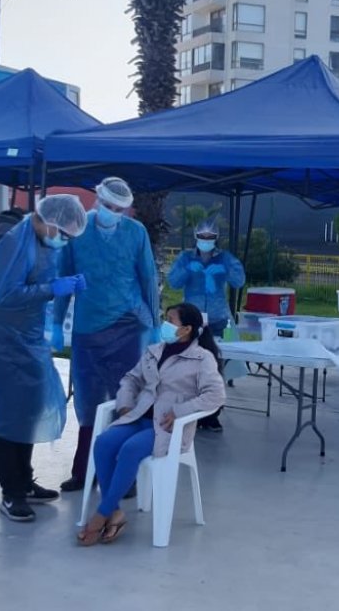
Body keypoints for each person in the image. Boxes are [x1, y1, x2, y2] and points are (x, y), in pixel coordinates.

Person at [0, 195, 89, 522]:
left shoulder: (40, 240)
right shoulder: (13, 241)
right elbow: (7, 295)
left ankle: (24, 480)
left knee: (30, 407)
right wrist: (54, 288)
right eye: (64, 234)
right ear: (49, 222)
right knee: (9, 410)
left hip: (25, 333)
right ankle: (12, 493)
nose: (64, 241)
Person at [77, 302, 226, 545]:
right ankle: (115, 512)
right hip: (138, 417)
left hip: (167, 427)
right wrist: (125, 403)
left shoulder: (202, 358)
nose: (165, 324)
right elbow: (131, 379)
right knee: (104, 443)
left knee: (130, 449)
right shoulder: (154, 350)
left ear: (186, 329)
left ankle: (101, 514)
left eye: (171, 320)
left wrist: (180, 411)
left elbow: (216, 395)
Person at [53, 177, 161, 493]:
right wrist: (56, 323)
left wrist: (155, 323)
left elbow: (148, 277)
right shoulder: (78, 230)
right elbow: (64, 277)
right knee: (87, 401)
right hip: (88, 327)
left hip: (128, 324)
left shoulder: (136, 232)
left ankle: (123, 476)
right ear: (97, 199)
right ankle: (84, 471)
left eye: (119, 209)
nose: (112, 213)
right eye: (108, 206)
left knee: (124, 399)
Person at [166, 217, 246, 432]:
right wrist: (188, 270)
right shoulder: (185, 257)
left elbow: (239, 281)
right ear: (196, 237)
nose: (206, 240)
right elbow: (173, 282)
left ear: (216, 238)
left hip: (219, 320)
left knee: (216, 369)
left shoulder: (224, 258)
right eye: (202, 236)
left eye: (210, 237)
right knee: (190, 368)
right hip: (192, 321)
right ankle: (189, 412)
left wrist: (225, 269)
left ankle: (212, 415)